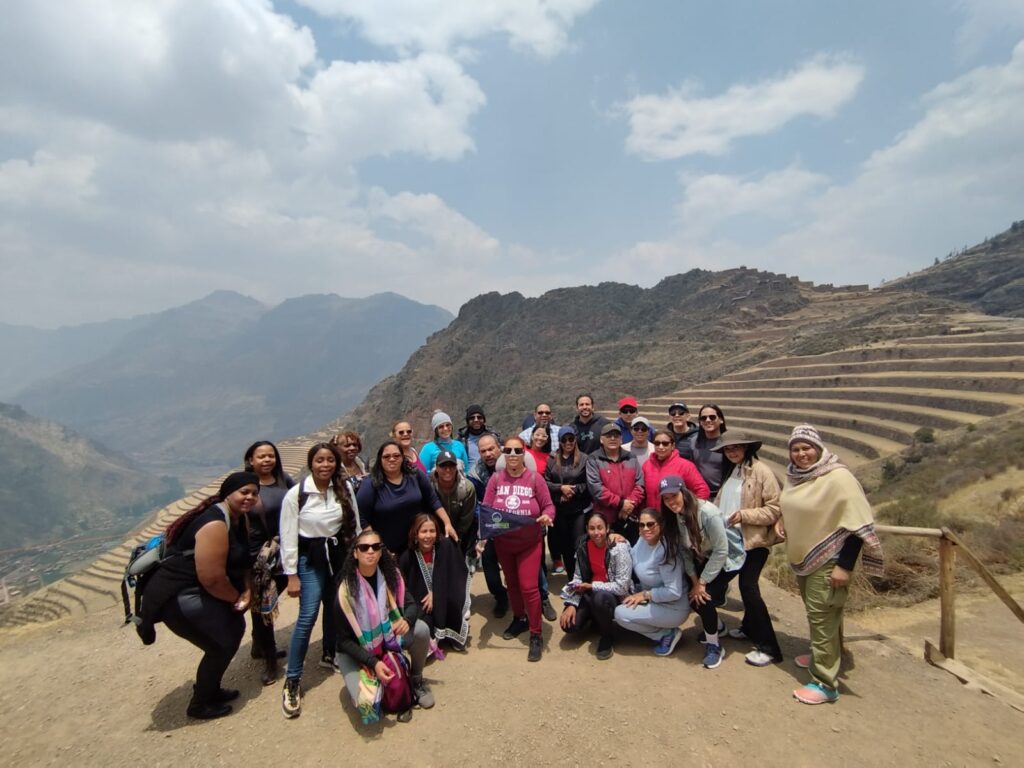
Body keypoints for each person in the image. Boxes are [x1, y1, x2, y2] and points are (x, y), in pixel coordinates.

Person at [139, 471, 259, 719]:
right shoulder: (215, 524)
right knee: (220, 643)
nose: (249, 497)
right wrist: (237, 598)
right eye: (244, 492)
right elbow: (212, 578)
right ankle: (200, 704)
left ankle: (211, 689)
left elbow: (243, 560)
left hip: (199, 591)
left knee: (231, 632)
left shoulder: (238, 518)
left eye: (254, 493)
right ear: (228, 494)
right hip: (179, 595)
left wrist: (247, 590)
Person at [780, 425, 884, 705]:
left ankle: (825, 683)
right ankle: (825, 656)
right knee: (823, 614)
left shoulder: (839, 478)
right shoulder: (796, 477)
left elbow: (857, 525)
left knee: (821, 616)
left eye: (806, 448)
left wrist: (844, 566)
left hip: (830, 559)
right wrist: (782, 520)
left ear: (818, 448)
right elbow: (791, 505)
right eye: (795, 449)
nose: (801, 454)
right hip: (804, 557)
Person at [279, 442, 358, 719]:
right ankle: (292, 679)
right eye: (319, 460)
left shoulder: (344, 489)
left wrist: (358, 556)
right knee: (308, 614)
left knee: (335, 606)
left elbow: (354, 524)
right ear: (311, 463)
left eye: (330, 460)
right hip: (310, 557)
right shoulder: (296, 495)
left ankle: (329, 653)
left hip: (338, 554)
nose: (325, 465)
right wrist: (291, 575)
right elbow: (288, 535)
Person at [335, 527, 434, 724]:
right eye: (364, 547)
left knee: (422, 630)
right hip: (355, 651)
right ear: (355, 553)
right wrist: (374, 663)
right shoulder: (345, 591)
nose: (370, 551)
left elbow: (411, 604)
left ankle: (415, 680)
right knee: (366, 703)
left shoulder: (391, 576)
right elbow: (344, 641)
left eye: (375, 546)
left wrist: (407, 620)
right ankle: (373, 680)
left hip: (388, 639)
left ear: (381, 551)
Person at [710, 432, 785, 666]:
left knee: (748, 588)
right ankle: (748, 628)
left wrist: (744, 515)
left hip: (752, 542)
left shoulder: (761, 471)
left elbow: (775, 509)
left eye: (736, 447)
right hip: (730, 540)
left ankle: (770, 648)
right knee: (729, 587)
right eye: (727, 449)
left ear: (746, 448)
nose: (731, 452)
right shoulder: (732, 470)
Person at [661, 476, 745, 670]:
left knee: (703, 599)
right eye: (666, 498)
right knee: (692, 596)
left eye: (674, 496)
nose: (671, 502)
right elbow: (684, 551)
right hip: (704, 557)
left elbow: (722, 550)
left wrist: (702, 583)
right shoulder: (675, 516)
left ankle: (714, 645)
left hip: (728, 560)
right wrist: (694, 581)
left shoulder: (707, 513)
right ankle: (717, 627)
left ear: (683, 492)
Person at [484, 436, 556, 662]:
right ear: (503, 453)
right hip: (504, 544)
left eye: (517, 450)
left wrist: (547, 516)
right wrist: (482, 539)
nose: (513, 454)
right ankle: (520, 618)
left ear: (524, 453)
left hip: (529, 543)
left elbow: (549, 506)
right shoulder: (496, 479)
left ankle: (536, 633)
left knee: (528, 587)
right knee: (512, 584)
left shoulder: (535, 479)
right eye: (508, 450)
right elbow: (486, 510)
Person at [243, 440, 295, 685]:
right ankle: (270, 661)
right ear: (250, 460)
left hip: (284, 550)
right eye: (261, 456)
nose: (267, 460)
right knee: (262, 606)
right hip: (258, 556)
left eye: (270, 455)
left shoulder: (284, 480)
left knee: (265, 602)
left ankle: (259, 646)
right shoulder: (246, 485)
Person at [357, 441, 457, 556]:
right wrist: (377, 546)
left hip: (416, 543)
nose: (392, 459)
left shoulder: (415, 474)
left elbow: (432, 500)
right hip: (387, 549)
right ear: (380, 459)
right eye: (386, 456)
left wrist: (447, 523)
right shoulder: (370, 484)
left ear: (402, 458)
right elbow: (361, 517)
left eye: (396, 455)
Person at [613, 506, 689, 656]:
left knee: (620, 614)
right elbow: (633, 555)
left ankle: (665, 634)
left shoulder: (666, 552)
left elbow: (673, 592)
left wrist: (644, 595)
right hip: (652, 598)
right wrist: (621, 540)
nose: (646, 529)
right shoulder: (643, 540)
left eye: (650, 524)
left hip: (673, 607)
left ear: (660, 525)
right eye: (642, 525)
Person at [559, 510, 632, 660]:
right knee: (569, 625)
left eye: (600, 527)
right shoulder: (583, 546)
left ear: (607, 528)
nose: (596, 532)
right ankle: (598, 619)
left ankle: (607, 636)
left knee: (600, 599)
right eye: (592, 528)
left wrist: (592, 586)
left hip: (613, 596)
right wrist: (571, 603)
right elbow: (578, 577)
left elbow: (622, 587)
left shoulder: (618, 547)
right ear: (587, 529)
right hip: (589, 591)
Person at [399, 514, 472, 650]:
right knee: (422, 621)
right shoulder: (407, 558)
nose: (428, 536)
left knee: (451, 601)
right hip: (423, 602)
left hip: (446, 595)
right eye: (423, 531)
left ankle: (451, 634)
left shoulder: (446, 547)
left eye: (432, 531)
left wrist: (436, 593)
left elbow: (456, 575)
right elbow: (406, 589)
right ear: (415, 534)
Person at [468, 433, 510, 617]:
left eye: (491, 449)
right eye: (483, 451)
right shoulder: (475, 474)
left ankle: (539, 596)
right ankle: (500, 597)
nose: (488, 454)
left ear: (499, 447)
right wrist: (490, 521)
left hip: (513, 521)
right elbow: (477, 504)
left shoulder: (512, 463)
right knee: (489, 562)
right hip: (489, 524)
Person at [544, 426, 591, 581]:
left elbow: (588, 483)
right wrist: (561, 489)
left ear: (575, 439)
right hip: (559, 510)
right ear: (560, 441)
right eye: (564, 440)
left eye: (571, 439)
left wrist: (573, 490)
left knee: (579, 545)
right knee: (565, 546)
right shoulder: (552, 459)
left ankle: (582, 577)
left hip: (578, 510)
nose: (568, 442)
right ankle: (571, 579)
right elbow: (546, 482)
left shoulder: (584, 458)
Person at [586, 423, 645, 544]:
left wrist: (629, 505)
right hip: (606, 519)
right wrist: (620, 503)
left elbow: (640, 484)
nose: (612, 439)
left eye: (616, 436)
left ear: (621, 439)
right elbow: (596, 488)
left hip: (629, 516)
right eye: (608, 436)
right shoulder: (593, 459)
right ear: (601, 439)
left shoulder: (631, 457)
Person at [642, 428, 709, 510]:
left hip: (676, 515)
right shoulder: (647, 465)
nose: (660, 447)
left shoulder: (685, 466)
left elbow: (703, 490)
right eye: (657, 443)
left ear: (673, 446)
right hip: (653, 515)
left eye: (665, 443)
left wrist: (689, 510)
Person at [430, 449, 478, 555]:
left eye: (451, 466)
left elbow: (466, 518)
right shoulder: (429, 485)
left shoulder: (467, 488)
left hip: (459, 533)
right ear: (436, 467)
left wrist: (457, 538)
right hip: (434, 533)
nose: (448, 470)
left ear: (456, 467)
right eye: (443, 466)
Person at [683, 404, 729, 496]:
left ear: (721, 420)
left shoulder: (729, 443)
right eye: (703, 418)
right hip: (701, 494)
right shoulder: (694, 442)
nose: (708, 420)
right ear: (700, 422)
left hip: (724, 494)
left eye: (712, 417)